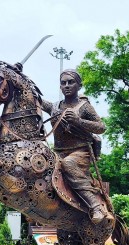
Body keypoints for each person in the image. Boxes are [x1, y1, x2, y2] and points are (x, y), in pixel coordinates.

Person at [42, 69, 109, 224]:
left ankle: (96, 206)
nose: (66, 85)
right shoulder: (54, 107)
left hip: (80, 152)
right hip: (57, 152)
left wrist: (79, 121)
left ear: (79, 85)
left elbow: (101, 127)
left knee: (68, 164)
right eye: (63, 83)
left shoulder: (84, 107)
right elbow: (36, 99)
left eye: (70, 82)